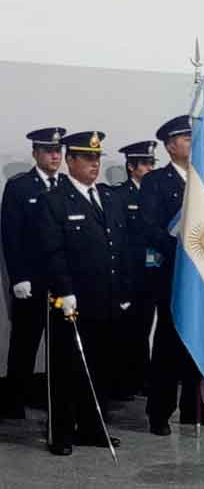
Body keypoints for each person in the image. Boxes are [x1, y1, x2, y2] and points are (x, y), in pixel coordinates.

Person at [36, 131, 129, 455]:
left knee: (101, 366)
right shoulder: (55, 200)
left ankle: (93, 427)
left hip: (105, 298)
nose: (94, 163)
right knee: (67, 368)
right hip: (71, 301)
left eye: (97, 158)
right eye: (87, 158)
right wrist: (64, 291)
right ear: (70, 160)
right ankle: (61, 433)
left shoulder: (108, 197)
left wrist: (123, 289)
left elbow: (119, 247)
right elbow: (52, 251)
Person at [141, 115, 204, 436]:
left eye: (194, 138)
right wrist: (182, 250)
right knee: (168, 346)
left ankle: (194, 408)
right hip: (172, 276)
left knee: (197, 339)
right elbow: (148, 228)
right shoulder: (156, 182)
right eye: (186, 139)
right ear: (169, 146)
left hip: (202, 276)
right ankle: (159, 412)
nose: (192, 144)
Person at [1, 127, 68, 419]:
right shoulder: (20, 187)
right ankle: (13, 401)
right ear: (35, 153)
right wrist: (18, 277)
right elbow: (11, 236)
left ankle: (53, 397)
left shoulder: (66, 184)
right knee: (25, 342)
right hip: (32, 281)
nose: (55, 155)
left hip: (61, 282)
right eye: (48, 150)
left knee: (60, 344)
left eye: (58, 150)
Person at [111, 140, 157, 400]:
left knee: (144, 327)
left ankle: (142, 377)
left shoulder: (156, 194)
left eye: (153, 163)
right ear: (131, 167)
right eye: (146, 163)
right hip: (129, 272)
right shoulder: (120, 195)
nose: (151, 168)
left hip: (151, 271)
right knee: (125, 330)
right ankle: (123, 381)